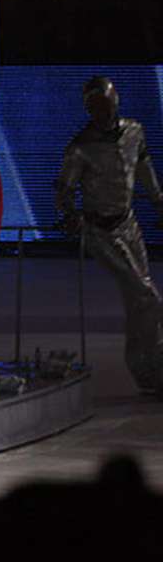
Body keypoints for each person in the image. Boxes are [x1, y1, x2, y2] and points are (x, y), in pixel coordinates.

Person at [55, 76, 163, 393]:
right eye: (93, 106)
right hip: (100, 231)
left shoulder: (134, 132)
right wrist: (69, 215)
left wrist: (158, 201)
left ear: (116, 101)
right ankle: (148, 366)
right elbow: (64, 189)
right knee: (147, 296)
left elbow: (143, 168)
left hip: (129, 226)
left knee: (138, 302)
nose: (100, 111)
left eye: (104, 103)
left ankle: (150, 370)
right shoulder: (81, 148)